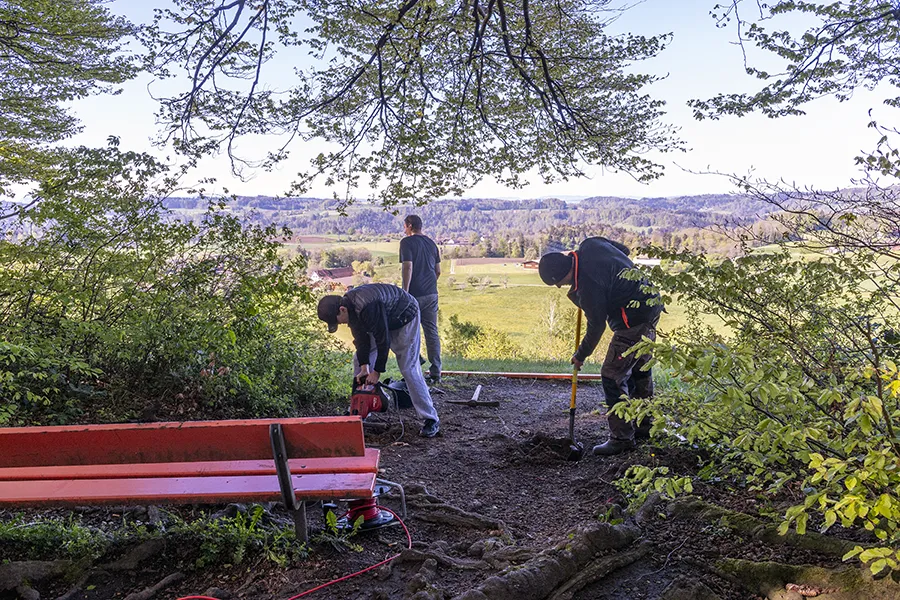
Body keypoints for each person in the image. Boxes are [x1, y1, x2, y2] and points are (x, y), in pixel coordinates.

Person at [538, 237, 663, 455]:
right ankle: (645, 426)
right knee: (639, 368)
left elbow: (596, 326)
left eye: (557, 282)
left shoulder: (588, 287)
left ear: (561, 275)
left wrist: (581, 355)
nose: (559, 286)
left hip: (632, 321)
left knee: (612, 374)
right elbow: (622, 250)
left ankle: (621, 438)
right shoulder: (591, 244)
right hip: (651, 304)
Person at [317, 283, 440, 437]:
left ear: (342, 310)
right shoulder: (350, 309)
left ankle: (430, 419)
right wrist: (364, 369)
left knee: (409, 368)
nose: (340, 324)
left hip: (405, 316)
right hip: (385, 320)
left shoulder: (368, 306)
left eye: (338, 321)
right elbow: (362, 341)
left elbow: (384, 341)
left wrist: (376, 372)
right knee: (359, 360)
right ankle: (361, 409)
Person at [400, 214, 442, 383]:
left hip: (414, 295)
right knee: (431, 332)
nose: (404, 229)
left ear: (409, 225)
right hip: (432, 293)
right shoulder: (432, 243)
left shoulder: (406, 242)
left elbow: (407, 267)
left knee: (407, 332)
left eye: (404, 226)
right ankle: (436, 371)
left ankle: (416, 364)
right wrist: (429, 285)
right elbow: (438, 271)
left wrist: (405, 292)